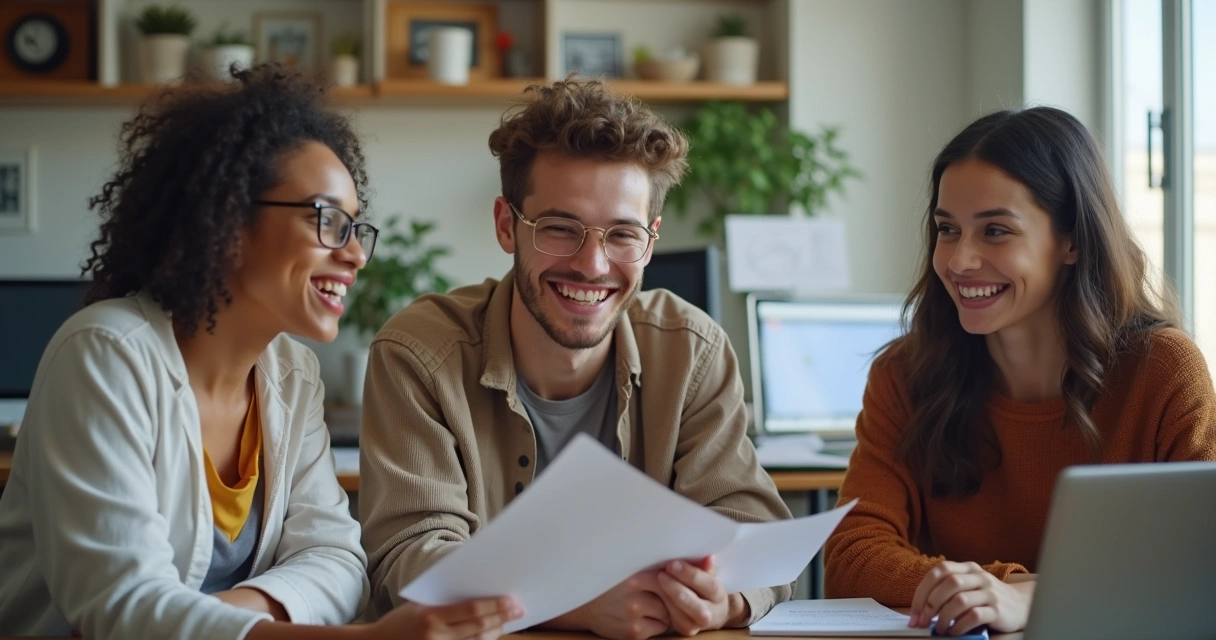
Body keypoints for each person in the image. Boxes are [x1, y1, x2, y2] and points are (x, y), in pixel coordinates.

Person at [0, 65, 521, 640]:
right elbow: (120, 605)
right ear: (228, 220)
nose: (356, 255)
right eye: (327, 220)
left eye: (356, 228)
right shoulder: (105, 353)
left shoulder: (291, 373)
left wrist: (228, 614)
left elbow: (338, 559)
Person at [358, 77, 793, 640]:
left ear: (650, 243)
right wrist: (571, 603)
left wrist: (722, 603)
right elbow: (408, 560)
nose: (592, 265)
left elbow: (752, 532)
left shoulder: (692, 348)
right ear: (505, 225)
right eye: (560, 229)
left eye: (622, 234)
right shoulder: (419, 353)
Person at [823, 106, 1216, 636]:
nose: (960, 261)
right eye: (947, 229)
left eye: (996, 231)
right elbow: (851, 557)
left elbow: (1199, 567)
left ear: (1072, 240)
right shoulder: (905, 376)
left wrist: (1032, 600)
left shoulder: (1163, 371)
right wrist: (1007, 587)